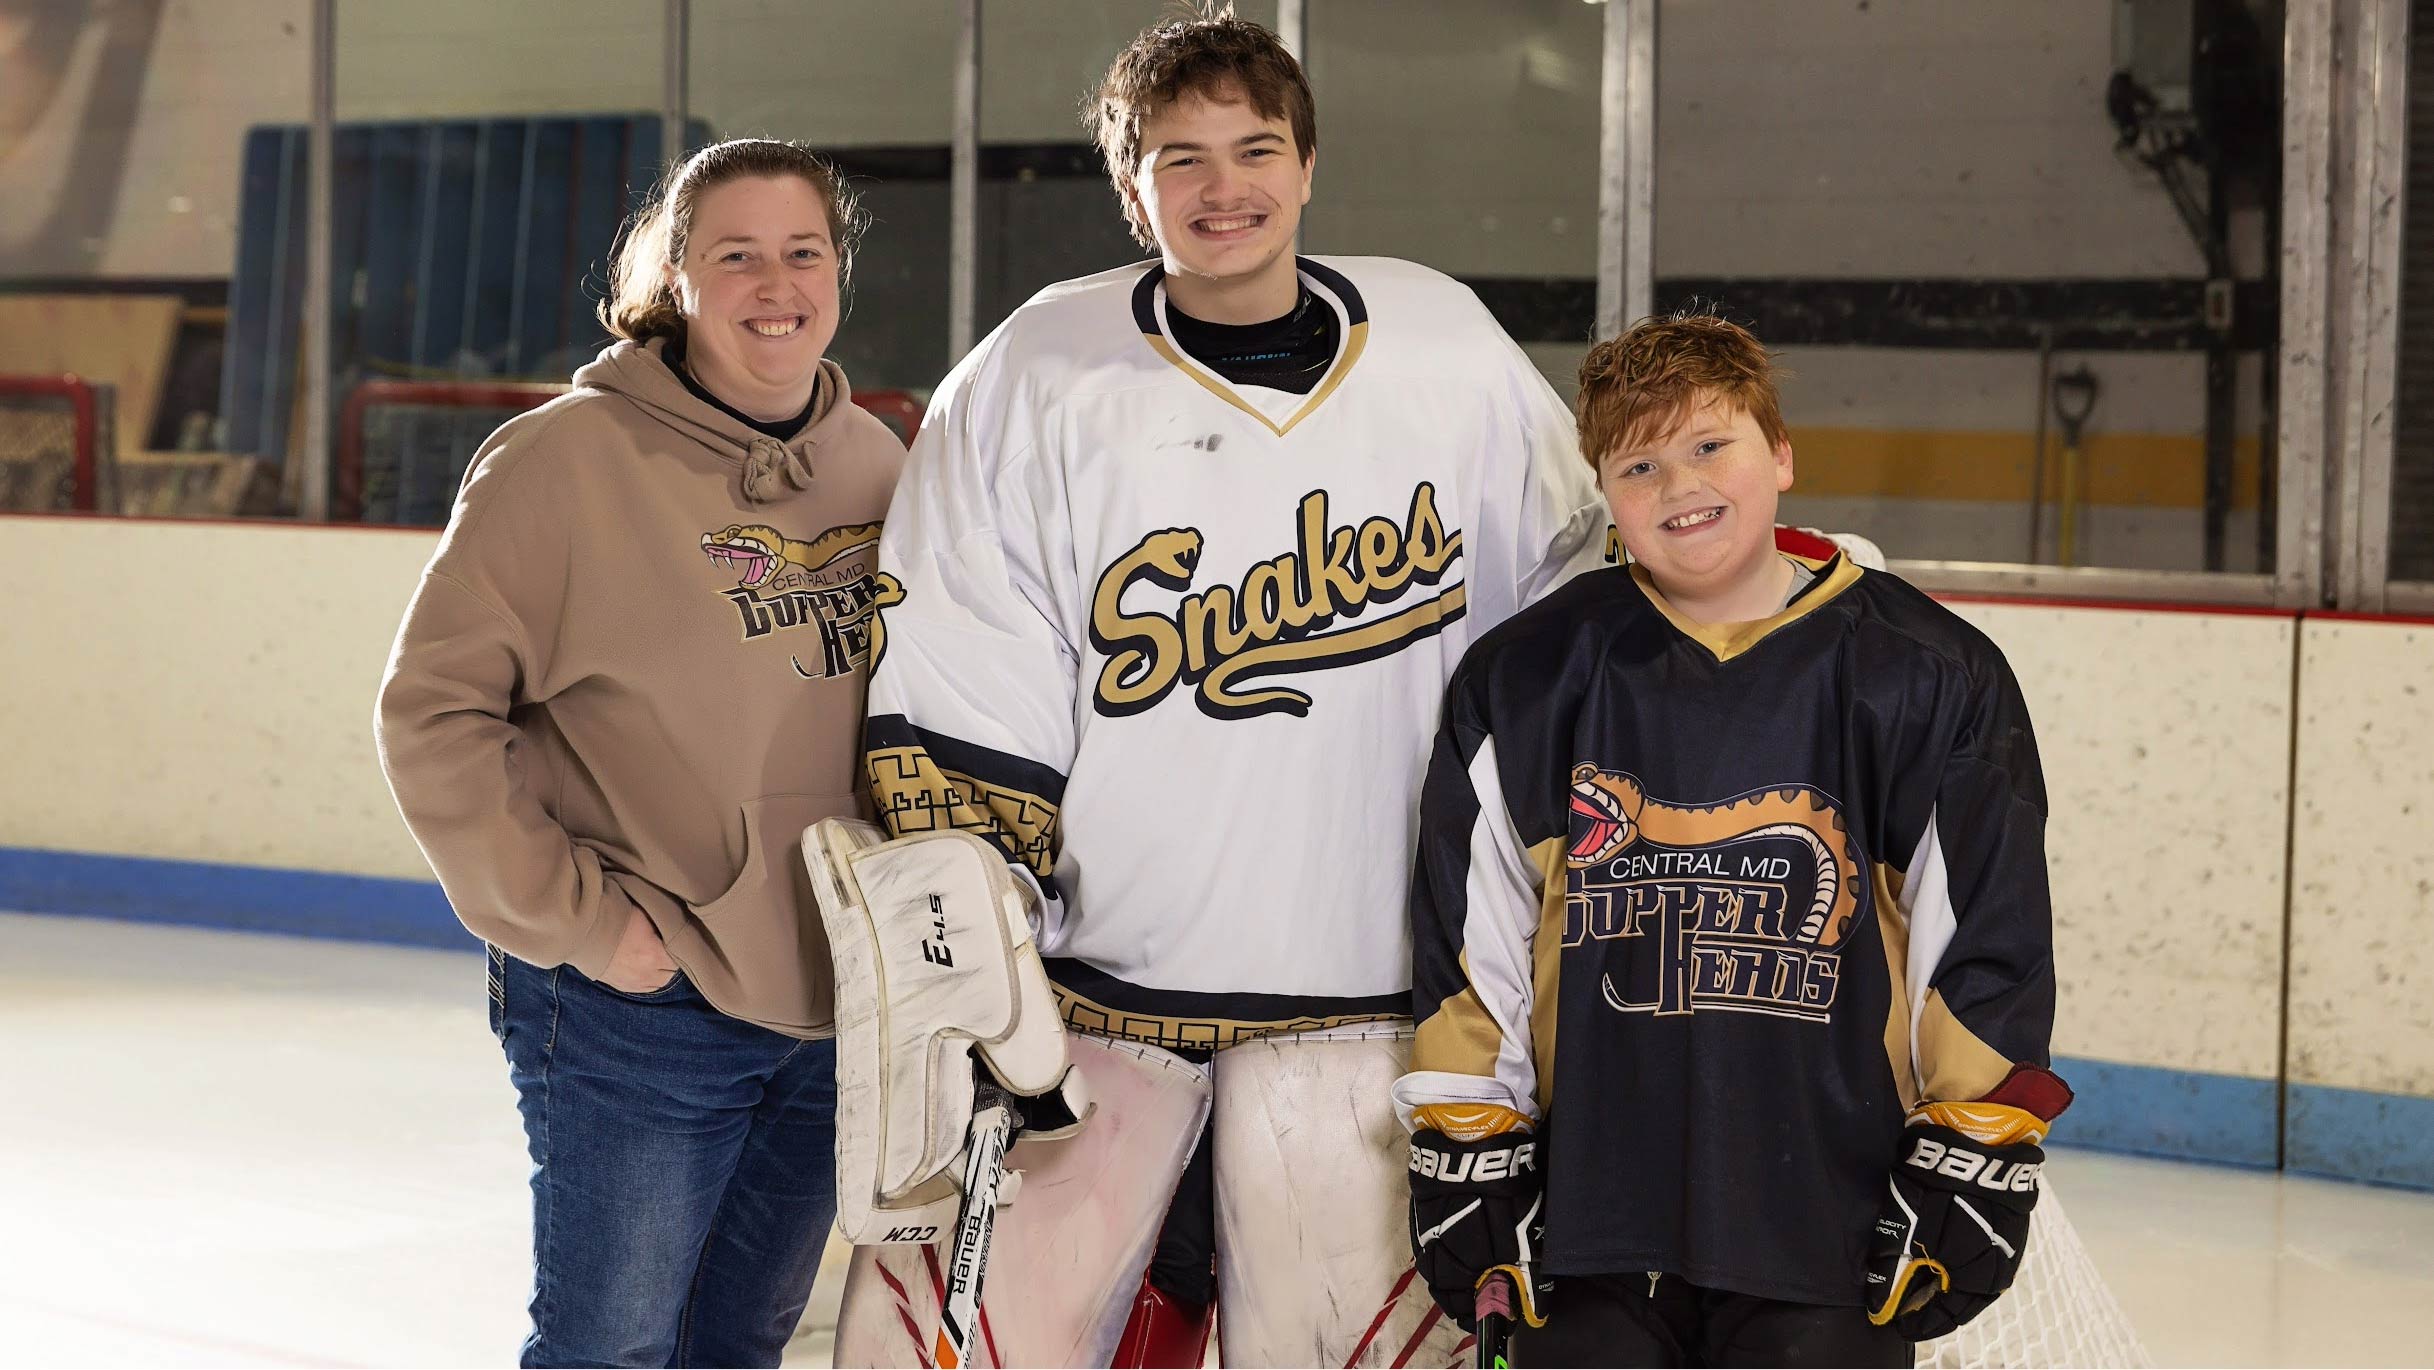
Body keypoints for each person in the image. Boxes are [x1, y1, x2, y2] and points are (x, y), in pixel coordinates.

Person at [840, 14, 1880, 1368]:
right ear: (1128, 183)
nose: (1224, 188)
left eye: (1254, 149)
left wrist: (1764, 601)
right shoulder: (1034, 374)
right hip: (1107, 1005)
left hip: (1390, 1009)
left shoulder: (1442, 341)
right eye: (1180, 158)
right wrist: (987, 953)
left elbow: (1578, 601)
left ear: (1310, 162)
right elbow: (969, 665)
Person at [1396, 311, 2071, 1368]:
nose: (1679, 485)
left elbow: (1983, 932)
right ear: (1606, 498)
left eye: (1710, 445)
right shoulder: (1529, 676)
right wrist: (1468, 1136)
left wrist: (1970, 1141)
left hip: (1831, 1227)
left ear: (1782, 454)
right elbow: (1470, 934)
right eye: (1639, 463)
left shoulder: (1926, 672)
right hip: (1586, 1227)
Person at [374, 138, 904, 1367]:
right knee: (608, 1349)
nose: (776, 284)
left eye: (802, 252)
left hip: (832, 994)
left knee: (742, 1340)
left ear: (839, 271)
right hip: (642, 1006)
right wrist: (583, 924)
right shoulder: (563, 460)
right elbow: (434, 711)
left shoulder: (876, 462)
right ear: (675, 277)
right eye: (736, 256)